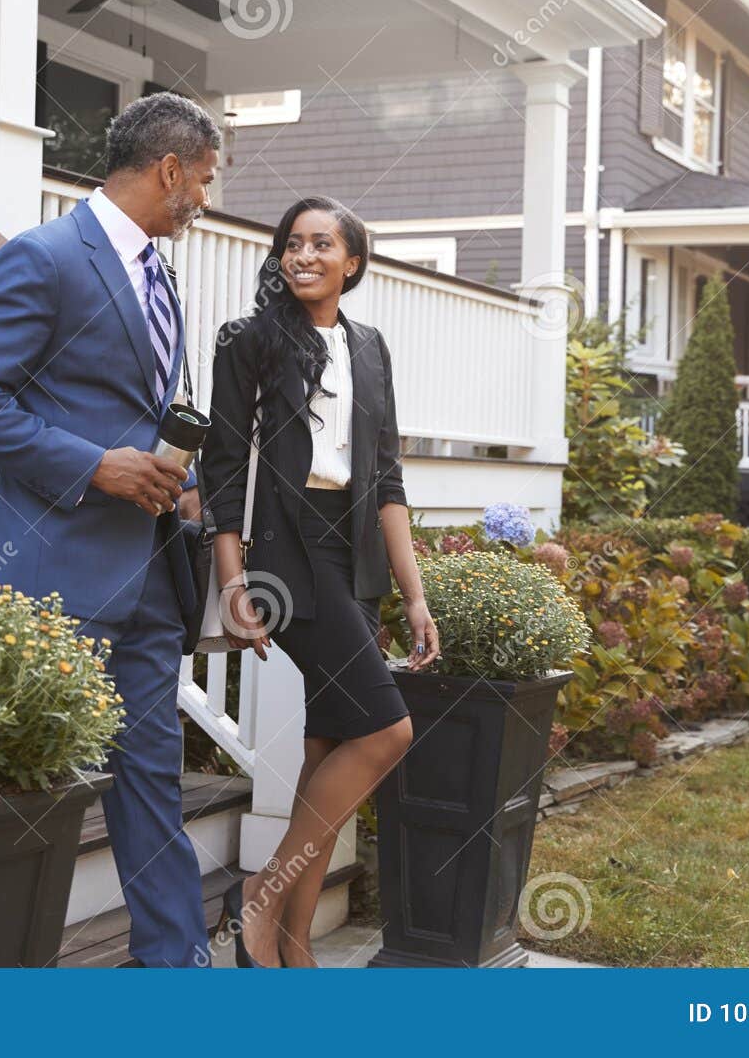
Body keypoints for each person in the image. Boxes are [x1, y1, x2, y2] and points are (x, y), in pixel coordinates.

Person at [0, 92, 219, 968]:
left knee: (151, 790)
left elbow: (141, 407)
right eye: (203, 181)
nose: (204, 199)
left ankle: (180, 973)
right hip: (49, 574)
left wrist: (186, 483)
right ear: (169, 171)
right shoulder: (43, 257)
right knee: (15, 795)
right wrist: (97, 465)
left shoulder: (160, 273)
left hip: (153, 578)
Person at [200, 195, 441, 967]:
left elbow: (389, 476)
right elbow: (225, 466)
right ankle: (260, 901)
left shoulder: (370, 347)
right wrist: (235, 582)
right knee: (387, 730)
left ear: (353, 262)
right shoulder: (249, 341)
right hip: (288, 556)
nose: (303, 254)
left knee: (329, 743)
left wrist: (413, 592)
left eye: (321, 243)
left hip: (355, 558)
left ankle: (293, 948)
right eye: (292, 243)